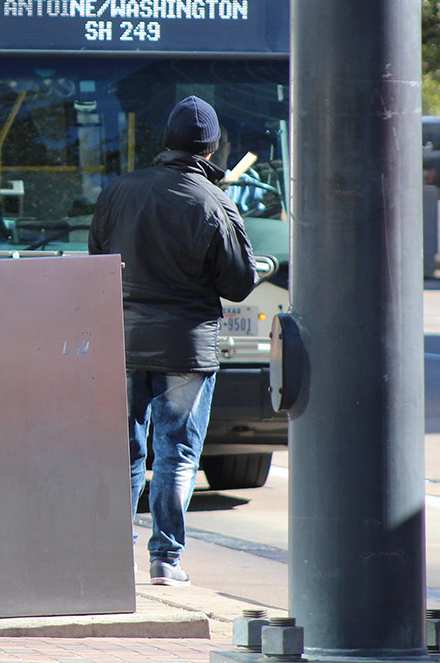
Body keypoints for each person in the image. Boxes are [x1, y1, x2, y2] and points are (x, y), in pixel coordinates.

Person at [88, 95, 257, 587]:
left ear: (166, 141)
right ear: (210, 148)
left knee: (123, 451)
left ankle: (114, 551)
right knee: (177, 453)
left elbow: (97, 262)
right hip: (186, 349)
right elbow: (238, 283)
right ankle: (166, 559)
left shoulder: (120, 191)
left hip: (121, 343)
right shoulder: (214, 203)